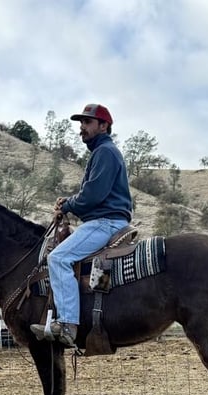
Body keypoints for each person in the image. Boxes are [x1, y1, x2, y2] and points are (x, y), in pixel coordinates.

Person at [30, 103, 132, 346]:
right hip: (106, 219)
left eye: (87, 122)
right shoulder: (103, 152)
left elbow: (93, 195)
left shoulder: (105, 152)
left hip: (106, 222)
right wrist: (71, 202)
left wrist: (67, 206)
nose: (81, 128)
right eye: (81, 123)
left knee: (58, 258)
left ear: (104, 125)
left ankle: (67, 325)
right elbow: (90, 195)